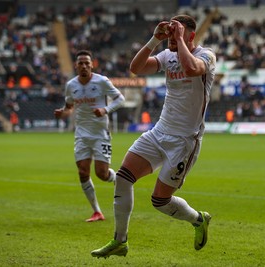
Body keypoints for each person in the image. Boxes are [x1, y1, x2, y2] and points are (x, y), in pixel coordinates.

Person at [91, 14, 216, 258]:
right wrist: (154, 39)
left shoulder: (206, 56)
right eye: (169, 32)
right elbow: (135, 69)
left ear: (191, 35)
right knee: (124, 178)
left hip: (184, 141)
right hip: (159, 132)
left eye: (176, 32)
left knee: (160, 201)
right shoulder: (167, 55)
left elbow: (191, 68)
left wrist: (179, 39)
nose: (171, 37)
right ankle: (120, 241)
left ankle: (198, 219)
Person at [54, 50, 125, 222]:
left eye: (87, 63)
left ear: (92, 65)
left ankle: (121, 181)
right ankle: (97, 212)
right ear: (76, 66)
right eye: (81, 63)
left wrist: (105, 110)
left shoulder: (101, 81)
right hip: (81, 134)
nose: (84, 66)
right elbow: (69, 106)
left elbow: (120, 99)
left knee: (102, 174)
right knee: (83, 171)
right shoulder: (71, 85)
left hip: (100, 134)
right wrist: (63, 113)